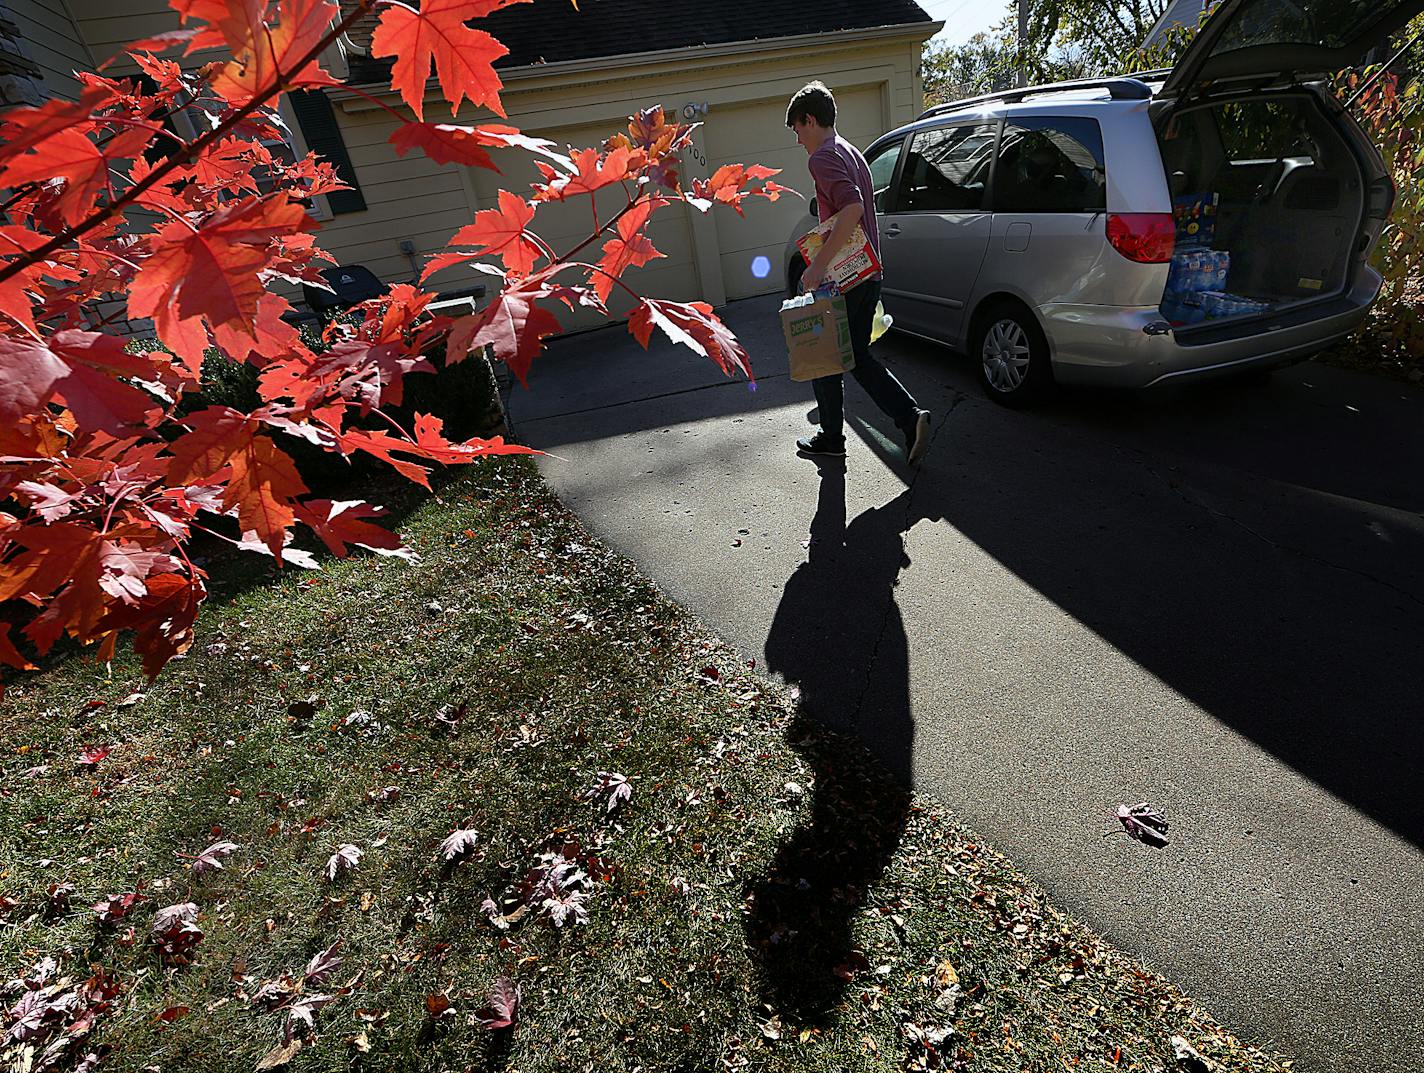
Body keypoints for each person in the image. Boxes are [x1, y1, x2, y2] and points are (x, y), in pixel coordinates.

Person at [787, 81, 931, 464]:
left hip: (848, 278)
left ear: (810, 119)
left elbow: (850, 208)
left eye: (798, 130)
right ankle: (838, 434)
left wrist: (816, 266)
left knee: (831, 355)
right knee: (844, 356)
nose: (799, 139)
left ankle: (905, 417)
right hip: (867, 272)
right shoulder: (852, 152)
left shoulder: (822, 158)